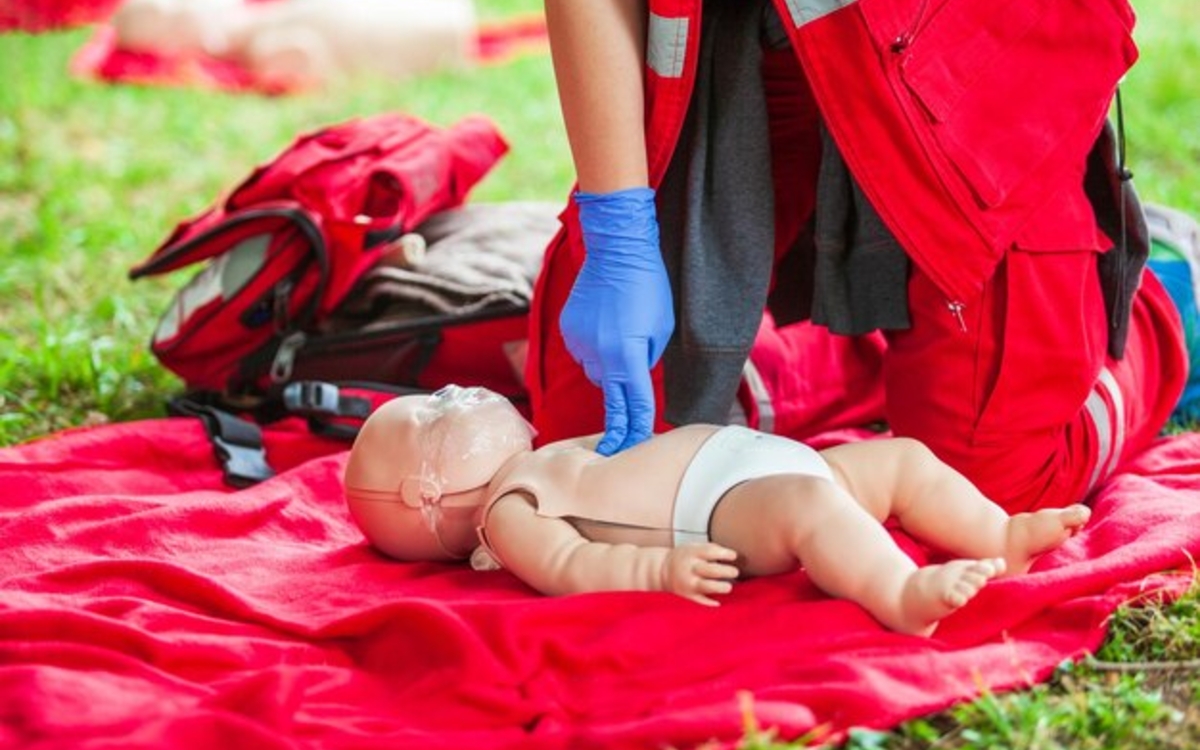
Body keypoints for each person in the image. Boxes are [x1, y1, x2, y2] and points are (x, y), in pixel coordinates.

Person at [531, 0, 1193, 514]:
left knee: (981, 490)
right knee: (590, 461)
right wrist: (619, 227)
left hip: (962, 61)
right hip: (744, 53)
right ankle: (838, 361)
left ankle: (1159, 305)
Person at [343, 385, 1091, 635]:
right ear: (423, 495)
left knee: (902, 459)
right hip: (723, 509)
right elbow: (571, 566)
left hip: (756, 461)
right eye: (433, 414)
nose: (456, 397)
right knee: (809, 508)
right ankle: (896, 593)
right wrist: (658, 569)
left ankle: (998, 532)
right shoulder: (510, 509)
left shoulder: (537, 455)